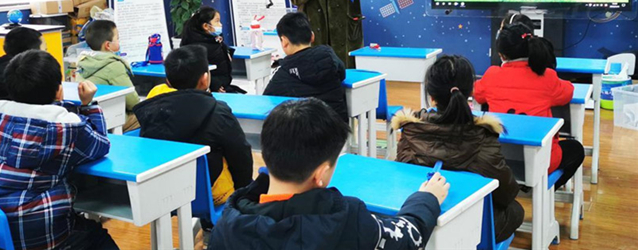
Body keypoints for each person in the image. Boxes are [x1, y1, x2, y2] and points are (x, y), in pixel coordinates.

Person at [210, 97, 448, 250]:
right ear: (321, 174)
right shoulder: (346, 220)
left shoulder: (226, 226)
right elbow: (409, 237)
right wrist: (426, 198)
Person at [0, 50, 117, 250]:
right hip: (39, 232)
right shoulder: (68, 129)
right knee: (96, 236)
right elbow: (100, 145)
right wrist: (89, 105)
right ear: (59, 90)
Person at [392, 55, 524, 242]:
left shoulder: (411, 130)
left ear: (431, 97)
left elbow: (403, 182)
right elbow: (507, 193)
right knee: (516, 210)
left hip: (421, 224)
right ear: (470, 92)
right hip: (467, 231)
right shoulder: (482, 136)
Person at [133, 44, 253, 206]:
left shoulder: (152, 106)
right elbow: (241, 154)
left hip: (164, 192)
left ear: (168, 80)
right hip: (212, 194)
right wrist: (242, 191)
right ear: (205, 79)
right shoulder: (218, 112)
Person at [474, 23, 585, 190]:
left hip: (498, 160)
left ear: (501, 55)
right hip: (540, 160)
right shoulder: (547, 77)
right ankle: (542, 191)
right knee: (575, 149)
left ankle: (519, 188)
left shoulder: (491, 75)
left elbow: (477, 94)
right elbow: (568, 92)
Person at [263, 12, 347, 121]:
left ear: (284, 41)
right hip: (337, 126)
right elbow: (342, 74)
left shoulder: (282, 73)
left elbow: (266, 101)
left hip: (302, 129)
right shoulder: (330, 58)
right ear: (312, 36)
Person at [77, 20, 141, 132]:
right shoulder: (113, 65)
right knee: (153, 114)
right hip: (112, 120)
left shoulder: (83, 61)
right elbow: (133, 102)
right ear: (108, 45)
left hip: (89, 117)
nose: (119, 42)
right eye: (117, 39)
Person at [180, 6, 245, 93]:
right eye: (217, 21)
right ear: (206, 26)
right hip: (211, 88)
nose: (220, 25)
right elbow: (195, 73)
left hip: (223, 85)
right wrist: (215, 85)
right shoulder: (197, 48)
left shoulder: (213, 40)